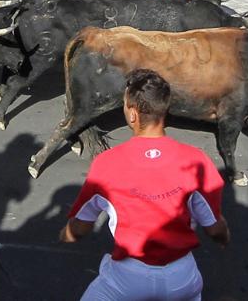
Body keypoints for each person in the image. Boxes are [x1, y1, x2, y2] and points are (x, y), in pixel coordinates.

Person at [60, 69, 229, 300]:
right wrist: (223, 239)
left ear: (132, 113)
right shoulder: (197, 159)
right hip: (181, 278)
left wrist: (67, 235)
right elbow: (214, 227)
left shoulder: (106, 163)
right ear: (165, 109)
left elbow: (79, 227)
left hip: (129, 277)